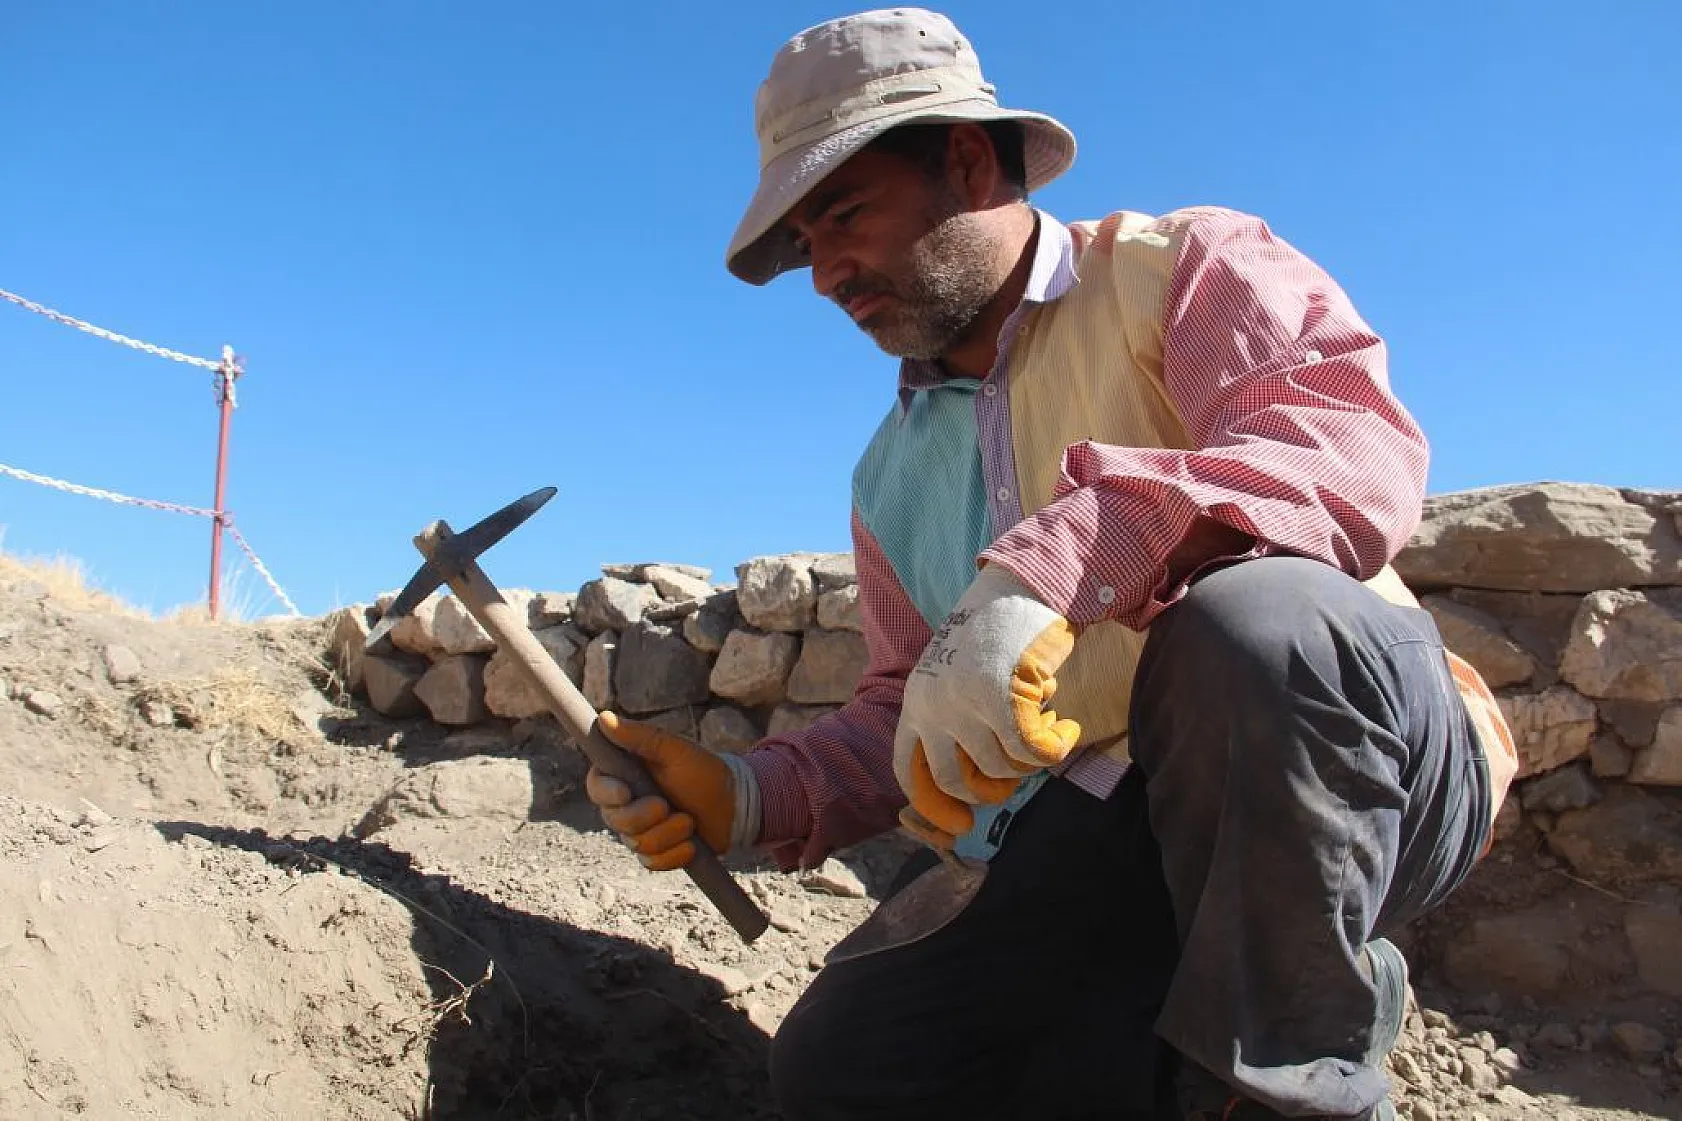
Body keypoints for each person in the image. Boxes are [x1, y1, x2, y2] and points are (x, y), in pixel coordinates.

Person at [586, 9, 1519, 1120]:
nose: (826, 273)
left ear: (969, 161)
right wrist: (751, 793)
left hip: (1357, 768)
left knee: (1252, 625)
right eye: (801, 246)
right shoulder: (889, 476)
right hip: (1113, 815)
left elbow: (1338, 443)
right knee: (846, 1068)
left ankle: (1293, 1083)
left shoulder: (1180, 266)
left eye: (842, 214)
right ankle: (1161, 1046)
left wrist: (1048, 569)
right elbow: (907, 706)